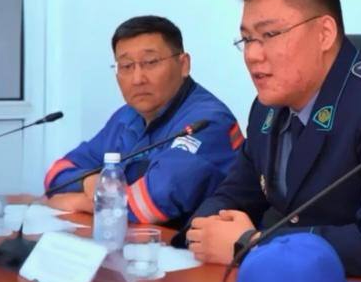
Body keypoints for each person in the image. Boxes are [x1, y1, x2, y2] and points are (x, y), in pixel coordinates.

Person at [183, 0, 361, 277]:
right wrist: (205, 228)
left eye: (269, 35)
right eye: (247, 39)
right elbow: (233, 194)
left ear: (324, 34)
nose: (252, 55)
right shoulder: (268, 108)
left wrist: (254, 245)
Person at [44, 16, 242, 226]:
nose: (137, 79)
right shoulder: (126, 117)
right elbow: (56, 176)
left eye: (150, 62)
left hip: (189, 244)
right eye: (126, 66)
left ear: (184, 64)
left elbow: (146, 206)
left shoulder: (207, 122)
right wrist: (88, 181)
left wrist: (74, 201)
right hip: (133, 239)